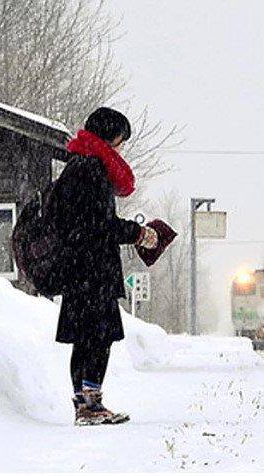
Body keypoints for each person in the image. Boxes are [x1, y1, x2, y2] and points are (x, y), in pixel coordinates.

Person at [51, 107, 158, 426]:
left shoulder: (76, 166)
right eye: (120, 140)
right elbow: (100, 224)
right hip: (92, 270)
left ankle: (85, 405)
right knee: (98, 337)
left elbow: (81, 222)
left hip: (77, 269)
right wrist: (138, 233)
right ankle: (91, 406)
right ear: (110, 136)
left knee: (86, 338)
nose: (120, 148)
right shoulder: (93, 169)